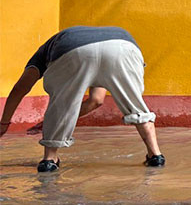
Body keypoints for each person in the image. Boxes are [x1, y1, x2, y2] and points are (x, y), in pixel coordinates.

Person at [0, 26, 164, 172]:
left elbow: (21, 87)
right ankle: (155, 155)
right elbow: (96, 100)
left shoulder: (41, 55)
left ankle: (49, 160)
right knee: (135, 105)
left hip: (73, 48)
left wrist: (4, 123)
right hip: (124, 45)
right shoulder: (88, 44)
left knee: (61, 102)